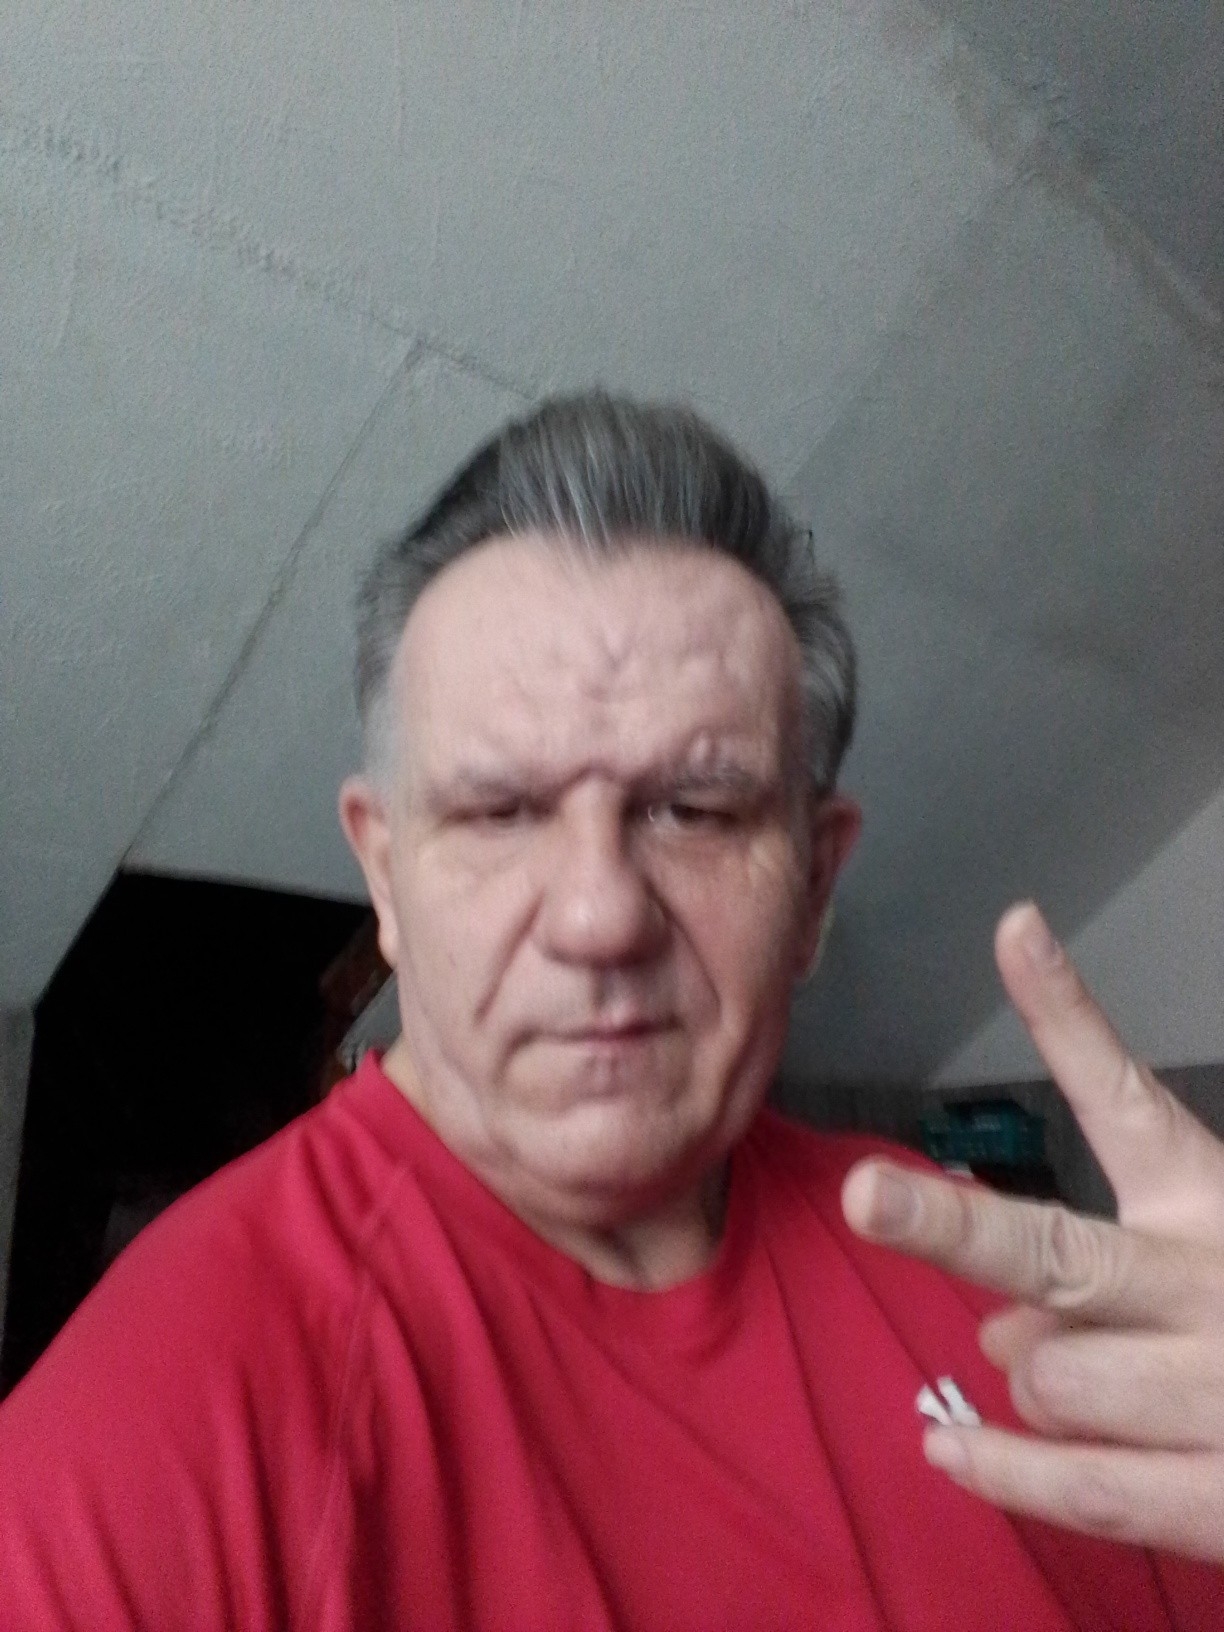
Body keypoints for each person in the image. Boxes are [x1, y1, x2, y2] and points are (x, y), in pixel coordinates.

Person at [0, 394, 1221, 1630]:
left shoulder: (984, 1286)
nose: (598, 916)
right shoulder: (142, 1453)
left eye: (695, 811)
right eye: (499, 813)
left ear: (813, 887)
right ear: (385, 876)